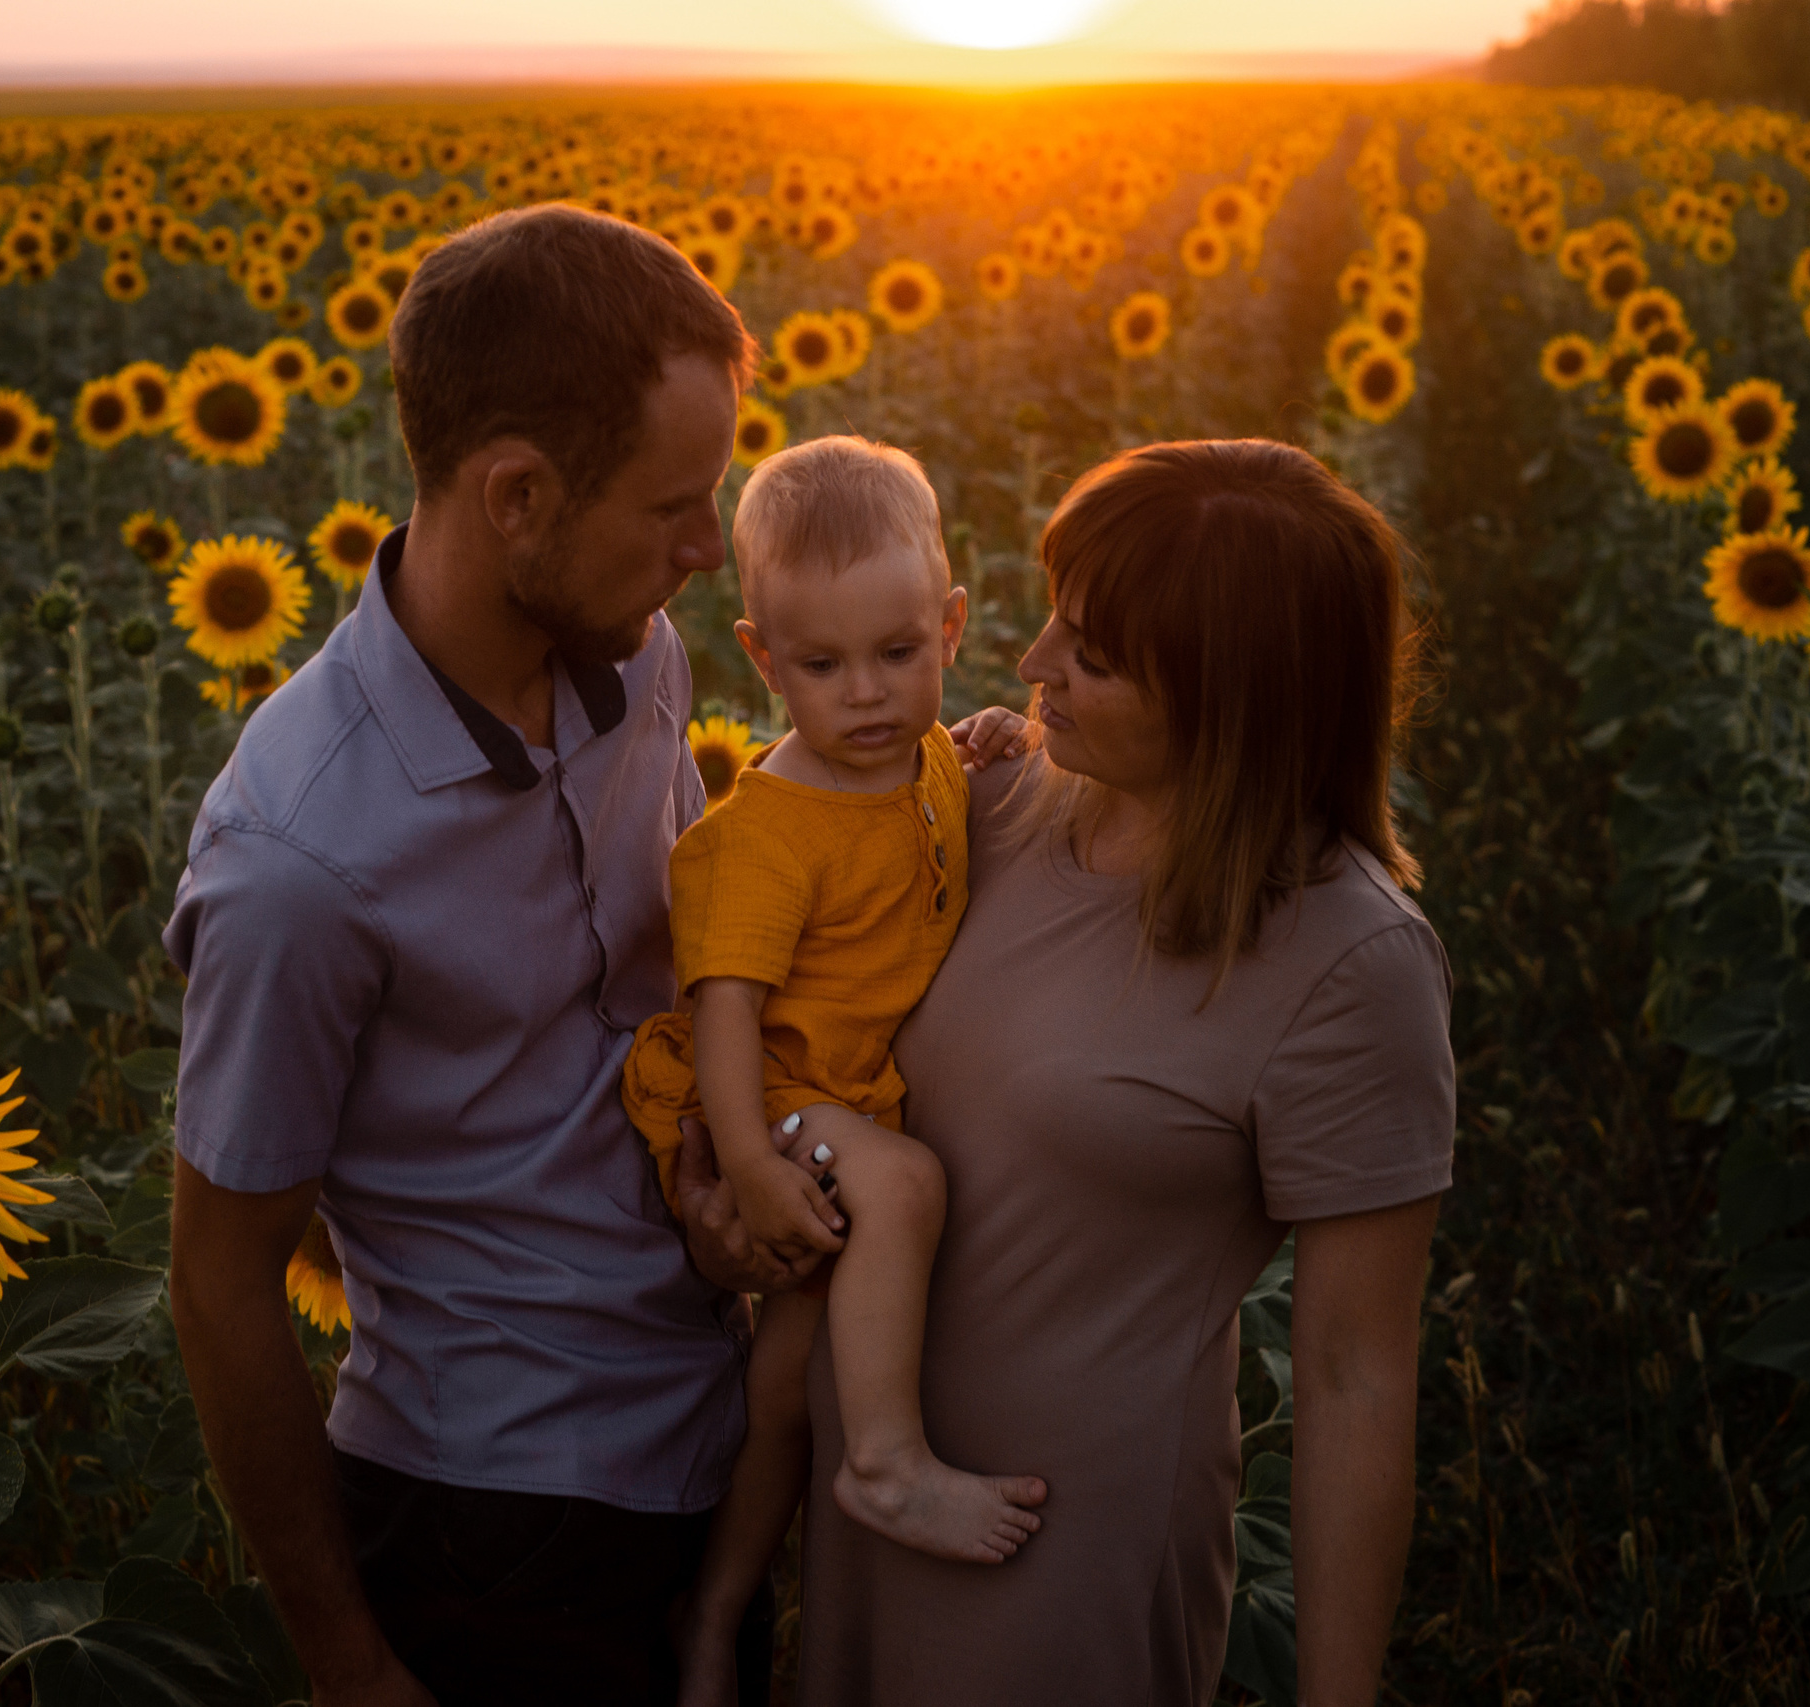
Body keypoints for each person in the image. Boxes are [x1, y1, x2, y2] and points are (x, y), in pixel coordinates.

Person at [161, 204, 816, 1707]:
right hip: (498, 1526)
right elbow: (220, 1282)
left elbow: (674, 984)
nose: (705, 554)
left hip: (718, 1439)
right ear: (517, 492)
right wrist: (348, 1659)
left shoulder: (632, 655)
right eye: (672, 507)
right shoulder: (299, 859)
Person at [795, 438, 1457, 1705]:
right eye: (1055, 620)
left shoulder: (1345, 961)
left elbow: (1354, 1378)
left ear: (1233, 695)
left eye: (1090, 655)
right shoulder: (982, 807)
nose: (1034, 663)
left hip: (1058, 1544)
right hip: (871, 1498)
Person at [616, 437, 1049, 1706]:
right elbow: (727, 1012)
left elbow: (940, 789)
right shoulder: (767, 833)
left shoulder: (923, 757)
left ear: (952, 624)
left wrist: (977, 740)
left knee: (786, 1383)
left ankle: (717, 1614)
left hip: (832, 1096)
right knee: (904, 1188)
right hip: (775, 1094)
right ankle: (890, 1465)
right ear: (759, 657)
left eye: (900, 656)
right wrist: (748, 1164)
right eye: (821, 666)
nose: (866, 695)